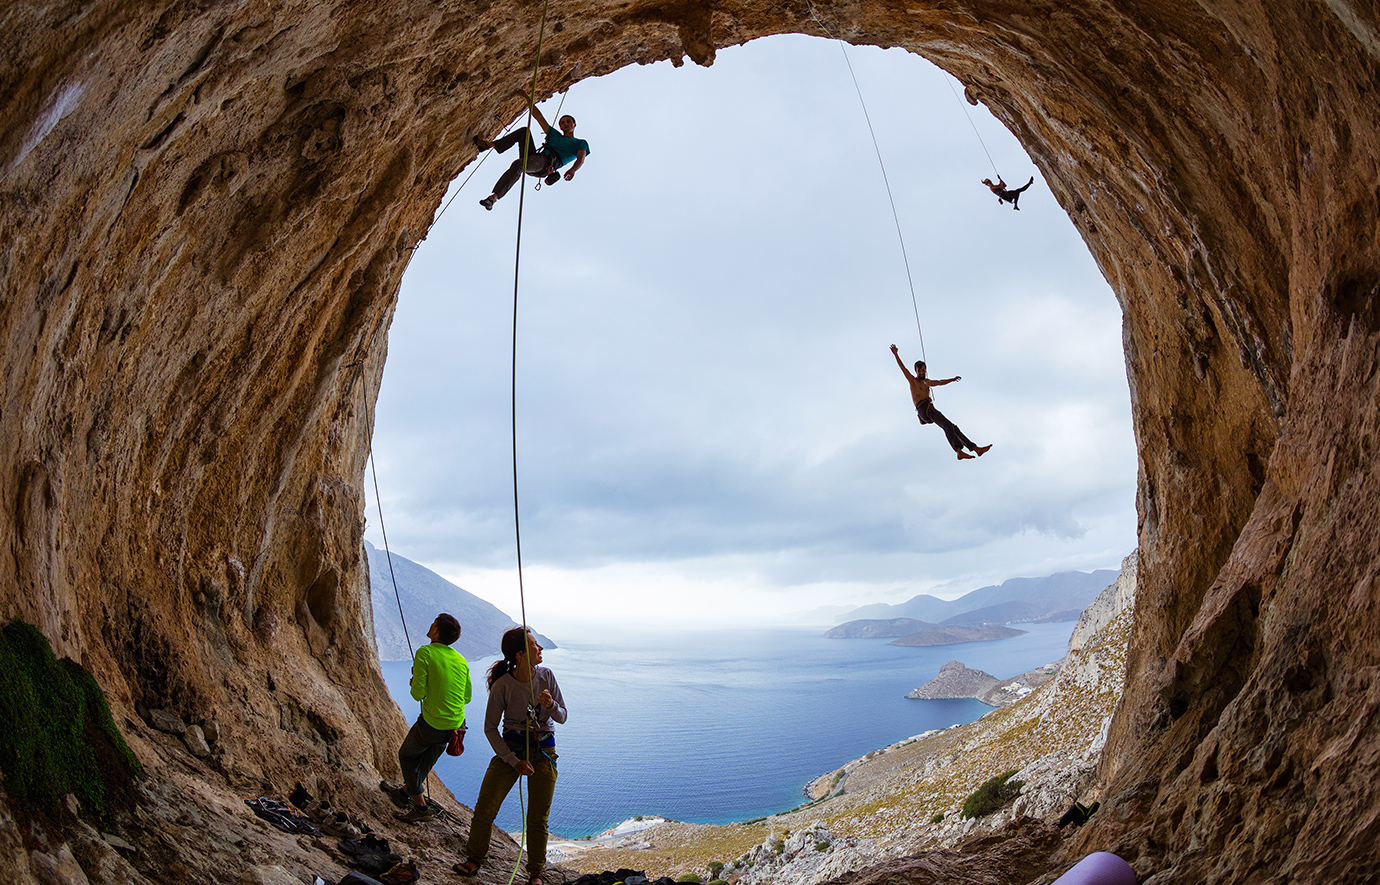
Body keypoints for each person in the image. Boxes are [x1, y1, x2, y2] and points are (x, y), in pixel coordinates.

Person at [454, 627, 566, 885]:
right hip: (511, 752)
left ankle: (536, 872)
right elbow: (490, 728)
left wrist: (550, 705)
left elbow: (563, 716)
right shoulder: (503, 685)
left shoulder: (547, 676)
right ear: (520, 654)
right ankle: (474, 859)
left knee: (538, 817)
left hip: (543, 753)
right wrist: (513, 761)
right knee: (485, 809)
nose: (540, 649)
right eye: (535, 645)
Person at [396, 613, 472, 822]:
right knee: (426, 761)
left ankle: (420, 808)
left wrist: (417, 684)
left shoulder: (425, 653)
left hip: (432, 724)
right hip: (456, 726)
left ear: (436, 630)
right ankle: (403, 793)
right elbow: (467, 697)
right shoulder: (461, 659)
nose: (430, 625)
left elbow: (417, 695)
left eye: (433, 623)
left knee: (407, 756)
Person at [475, 94, 590, 210]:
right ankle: (490, 145)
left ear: (574, 125)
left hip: (545, 164)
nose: (565, 124)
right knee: (524, 132)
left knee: (518, 164)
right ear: (560, 127)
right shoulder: (555, 135)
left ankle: (494, 197)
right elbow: (539, 117)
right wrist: (526, 97)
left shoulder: (580, 143)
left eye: (568, 121)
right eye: (562, 123)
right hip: (535, 158)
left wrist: (573, 169)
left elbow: (581, 158)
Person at [891, 344, 991, 460]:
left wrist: (952, 380)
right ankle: (958, 451)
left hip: (929, 409)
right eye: (920, 371)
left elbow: (939, 382)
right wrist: (896, 354)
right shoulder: (913, 381)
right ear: (916, 371)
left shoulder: (927, 382)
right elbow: (903, 368)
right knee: (947, 426)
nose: (922, 372)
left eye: (924, 370)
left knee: (953, 428)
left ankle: (975, 449)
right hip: (923, 409)